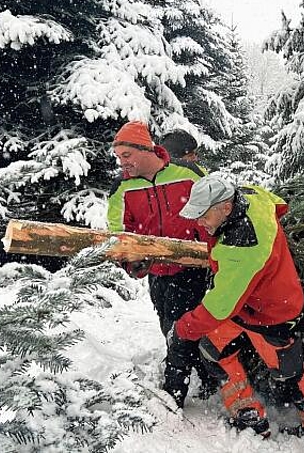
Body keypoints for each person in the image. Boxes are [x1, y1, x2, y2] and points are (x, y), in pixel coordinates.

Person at [171, 174, 304, 439]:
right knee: (213, 350)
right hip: (244, 305)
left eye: (203, 215)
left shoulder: (243, 246)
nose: (199, 223)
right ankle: (247, 411)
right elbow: (277, 203)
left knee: (290, 374)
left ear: (225, 207)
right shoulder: (250, 195)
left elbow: (219, 307)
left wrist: (183, 329)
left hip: (274, 311)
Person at [107, 120, 217, 407]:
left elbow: (212, 213)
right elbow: (119, 234)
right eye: (119, 157)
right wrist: (131, 264)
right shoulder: (121, 188)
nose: (123, 163)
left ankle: (175, 390)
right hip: (155, 272)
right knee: (168, 323)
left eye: (127, 155)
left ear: (147, 149)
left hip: (192, 268)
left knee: (181, 325)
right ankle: (207, 376)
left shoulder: (188, 174)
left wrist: (214, 258)